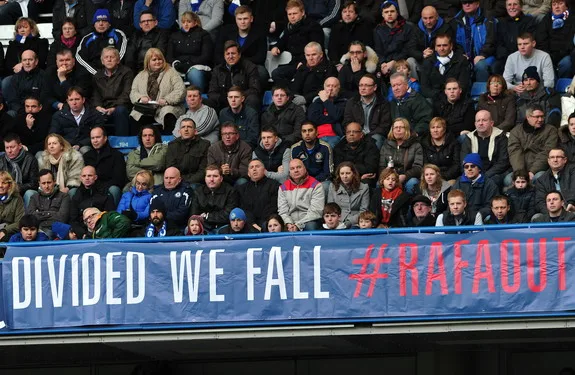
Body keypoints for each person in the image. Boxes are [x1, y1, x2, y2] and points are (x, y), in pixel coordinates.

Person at [129, 48, 185, 134]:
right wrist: (140, 98)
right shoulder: (140, 75)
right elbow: (133, 92)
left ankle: (169, 141)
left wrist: (167, 100)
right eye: (154, 60)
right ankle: (139, 143)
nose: (157, 62)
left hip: (167, 106)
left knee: (168, 113)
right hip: (147, 108)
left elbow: (180, 90)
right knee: (135, 115)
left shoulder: (172, 72)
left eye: (160, 59)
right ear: (148, 62)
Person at [269, 0, 324, 86]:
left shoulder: (313, 26)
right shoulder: (289, 27)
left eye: (295, 13)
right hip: (294, 63)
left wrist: (304, 62)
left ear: (302, 13)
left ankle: (293, 93)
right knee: (276, 73)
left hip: (311, 63)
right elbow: (282, 41)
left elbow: (316, 48)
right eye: (289, 14)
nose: (292, 17)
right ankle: (289, 93)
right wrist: (276, 47)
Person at [215, 6, 268, 85]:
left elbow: (260, 57)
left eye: (245, 19)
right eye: (239, 19)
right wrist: (230, 62)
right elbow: (218, 53)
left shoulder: (260, 33)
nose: (242, 22)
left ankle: (257, 95)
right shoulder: (225, 31)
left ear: (251, 19)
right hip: (229, 64)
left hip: (250, 65)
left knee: (261, 72)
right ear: (235, 19)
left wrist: (239, 62)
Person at [507, 104, 558, 186]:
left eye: (542, 116)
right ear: (528, 117)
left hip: (540, 169)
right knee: (508, 180)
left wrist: (533, 171)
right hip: (520, 169)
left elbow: (547, 152)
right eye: (537, 117)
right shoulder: (516, 131)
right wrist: (521, 174)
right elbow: (515, 153)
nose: (540, 119)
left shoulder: (551, 130)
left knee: (539, 178)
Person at [206, 40, 261, 112]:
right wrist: (226, 98)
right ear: (224, 56)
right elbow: (212, 93)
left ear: (239, 54)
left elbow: (255, 89)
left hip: (242, 102)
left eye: (233, 53)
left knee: (253, 99)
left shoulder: (250, 67)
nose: (230, 56)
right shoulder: (217, 70)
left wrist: (237, 97)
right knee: (207, 102)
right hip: (224, 102)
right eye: (227, 54)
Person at [461, 110, 511, 188]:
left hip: (495, 173)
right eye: (478, 121)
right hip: (474, 172)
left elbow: (503, 162)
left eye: (484, 120)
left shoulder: (501, 137)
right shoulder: (469, 138)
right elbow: (464, 161)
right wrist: (474, 174)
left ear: (491, 123)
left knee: (491, 182)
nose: (481, 123)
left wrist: (484, 175)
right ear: (475, 124)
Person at [166, 11, 213, 93]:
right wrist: (176, 63)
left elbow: (206, 56)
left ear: (195, 22)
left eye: (189, 21)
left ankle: (199, 98)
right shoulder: (174, 36)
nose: (186, 24)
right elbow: (169, 56)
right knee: (167, 74)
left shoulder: (204, 35)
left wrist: (189, 64)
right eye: (183, 22)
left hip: (197, 66)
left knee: (194, 74)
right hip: (178, 66)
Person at [450, 0, 497, 81]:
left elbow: (491, 41)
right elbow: (456, 43)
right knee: (458, 64)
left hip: (486, 55)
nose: (467, 5)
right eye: (464, 2)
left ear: (477, 3)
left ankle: (481, 92)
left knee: (481, 66)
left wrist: (482, 54)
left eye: (470, 2)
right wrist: (461, 54)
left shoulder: (487, 18)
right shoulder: (457, 20)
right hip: (466, 55)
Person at [342, 73, 391, 149]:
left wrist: (366, 135)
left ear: (374, 87)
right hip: (356, 134)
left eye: (366, 85)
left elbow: (384, 126)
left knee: (376, 140)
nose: (363, 88)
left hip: (375, 135)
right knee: (341, 142)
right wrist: (357, 133)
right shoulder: (351, 102)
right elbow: (347, 122)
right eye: (361, 85)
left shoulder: (383, 103)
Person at [92, 47, 134, 136]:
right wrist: (98, 107)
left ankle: (122, 142)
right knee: (93, 112)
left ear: (118, 60)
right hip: (104, 107)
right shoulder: (97, 76)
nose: (109, 59)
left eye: (112, 57)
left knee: (120, 111)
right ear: (102, 61)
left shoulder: (126, 72)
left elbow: (126, 94)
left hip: (121, 106)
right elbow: (96, 95)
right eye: (106, 57)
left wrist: (114, 108)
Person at [49, 87, 104, 152]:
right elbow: (53, 135)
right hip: (64, 147)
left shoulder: (94, 114)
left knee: (85, 150)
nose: (74, 102)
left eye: (77, 99)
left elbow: (98, 135)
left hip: (85, 146)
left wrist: (80, 144)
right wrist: (65, 146)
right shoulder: (58, 115)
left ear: (83, 100)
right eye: (71, 100)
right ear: (67, 101)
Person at [75, 9, 128, 76]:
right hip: (93, 74)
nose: (101, 24)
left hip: (115, 73)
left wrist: (110, 71)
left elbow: (121, 54)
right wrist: (97, 74)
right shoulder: (87, 39)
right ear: (94, 24)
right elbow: (80, 58)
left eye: (104, 21)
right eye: (98, 21)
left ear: (109, 24)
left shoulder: (118, 35)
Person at [82, 126, 127, 204]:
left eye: (98, 137)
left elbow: (119, 179)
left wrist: (101, 188)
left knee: (114, 189)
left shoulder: (117, 155)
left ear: (105, 138)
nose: (95, 141)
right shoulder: (86, 156)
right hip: (91, 188)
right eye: (93, 138)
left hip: (107, 189)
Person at [278, 158, 325, 231]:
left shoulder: (316, 185)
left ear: (305, 168)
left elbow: (316, 212)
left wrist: (298, 225)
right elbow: (283, 211)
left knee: (311, 226)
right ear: (289, 171)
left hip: (309, 221)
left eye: (299, 167)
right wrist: (289, 224)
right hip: (290, 223)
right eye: (292, 168)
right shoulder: (283, 187)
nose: (296, 170)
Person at [373, 0, 417, 79]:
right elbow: (378, 51)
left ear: (397, 13)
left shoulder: (407, 28)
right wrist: (383, 63)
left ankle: (413, 88)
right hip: (386, 63)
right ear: (382, 15)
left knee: (411, 61)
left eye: (392, 11)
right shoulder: (378, 30)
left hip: (402, 61)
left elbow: (408, 49)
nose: (389, 14)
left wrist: (394, 61)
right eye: (386, 12)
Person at [69, 166, 116, 238]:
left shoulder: (105, 193)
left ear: (95, 177)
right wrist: (83, 234)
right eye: (84, 176)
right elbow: (73, 220)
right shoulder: (77, 196)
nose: (87, 178)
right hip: (83, 232)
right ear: (81, 178)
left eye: (90, 175)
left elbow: (110, 215)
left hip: (102, 232)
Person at [379, 118, 423, 195]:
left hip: (407, 177)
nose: (398, 130)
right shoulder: (386, 145)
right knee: (378, 183)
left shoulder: (416, 145)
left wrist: (405, 176)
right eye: (395, 127)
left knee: (412, 182)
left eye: (401, 127)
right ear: (392, 130)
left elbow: (418, 168)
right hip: (390, 178)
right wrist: (387, 174)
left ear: (407, 130)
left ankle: (410, 206)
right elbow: (381, 166)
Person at [420, 33, 470, 100]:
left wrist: (449, 96)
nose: (441, 48)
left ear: (451, 46)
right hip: (435, 99)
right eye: (438, 45)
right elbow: (425, 88)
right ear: (435, 47)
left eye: (445, 45)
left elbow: (463, 86)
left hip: (456, 99)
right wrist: (439, 97)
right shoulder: (427, 62)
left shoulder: (461, 61)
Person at [190, 164, 239, 232]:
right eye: (209, 176)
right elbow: (194, 216)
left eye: (215, 176)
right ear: (205, 178)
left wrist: (207, 216)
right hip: (203, 227)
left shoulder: (231, 191)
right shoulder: (198, 192)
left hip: (224, 227)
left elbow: (228, 215)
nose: (211, 179)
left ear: (221, 178)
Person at [236, 159, 280, 230]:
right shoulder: (241, 189)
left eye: (257, 166)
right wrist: (252, 223)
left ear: (264, 170)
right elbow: (243, 208)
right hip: (249, 223)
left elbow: (273, 207)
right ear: (248, 173)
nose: (254, 169)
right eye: (251, 167)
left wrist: (262, 223)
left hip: (267, 223)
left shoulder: (274, 185)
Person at [535, 0, 575, 78]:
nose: (557, 7)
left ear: (566, 6)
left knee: (567, 63)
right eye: (554, 4)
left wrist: (562, 53)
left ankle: (563, 85)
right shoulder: (546, 20)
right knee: (545, 63)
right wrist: (548, 55)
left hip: (566, 55)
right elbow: (541, 40)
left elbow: (571, 42)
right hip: (549, 55)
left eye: (560, 4)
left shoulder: (572, 19)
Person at [495, 0, 537, 72]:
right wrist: (508, 57)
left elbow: (527, 42)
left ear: (521, 7)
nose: (512, 7)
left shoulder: (529, 21)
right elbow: (499, 44)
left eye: (515, 4)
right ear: (506, 7)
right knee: (495, 68)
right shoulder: (501, 23)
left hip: (523, 57)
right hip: (505, 58)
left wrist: (515, 56)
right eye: (509, 5)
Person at [333, 122, 379, 187]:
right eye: (348, 132)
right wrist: (357, 176)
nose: (351, 134)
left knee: (367, 182)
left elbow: (370, 169)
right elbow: (337, 169)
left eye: (355, 132)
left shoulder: (370, 146)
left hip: (364, 178)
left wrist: (348, 169)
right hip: (346, 178)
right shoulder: (339, 147)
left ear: (361, 134)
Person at [26, 169, 70, 237]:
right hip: (38, 231)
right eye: (43, 183)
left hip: (57, 232)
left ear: (54, 182)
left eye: (49, 182)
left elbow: (62, 218)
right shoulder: (34, 197)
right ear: (39, 184)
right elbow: (30, 218)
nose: (46, 186)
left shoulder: (64, 196)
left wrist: (40, 214)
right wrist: (53, 214)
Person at [166, 118, 210, 186]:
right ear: (179, 131)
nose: (186, 129)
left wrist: (187, 182)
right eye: (183, 127)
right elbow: (171, 168)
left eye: (189, 127)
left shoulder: (205, 145)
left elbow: (203, 171)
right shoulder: (172, 145)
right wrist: (179, 181)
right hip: (177, 183)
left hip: (197, 183)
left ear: (195, 131)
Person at [328, 1, 374, 65]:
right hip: (339, 64)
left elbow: (367, 48)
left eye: (350, 11)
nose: (347, 14)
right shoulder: (336, 28)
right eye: (344, 12)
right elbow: (332, 50)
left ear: (356, 14)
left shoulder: (364, 27)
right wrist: (337, 64)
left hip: (360, 63)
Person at [307, 77, 347, 148]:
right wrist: (332, 118)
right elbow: (313, 119)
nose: (330, 88)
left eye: (334, 86)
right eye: (328, 86)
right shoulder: (317, 102)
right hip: (316, 136)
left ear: (338, 88)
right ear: (324, 88)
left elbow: (337, 116)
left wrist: (325, 100)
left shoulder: (343, 102)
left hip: (334, 136)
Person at [327, 161, 369, 228]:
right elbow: (331, 209)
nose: (345, 176)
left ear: (353, 174)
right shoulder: (332, 187)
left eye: (348, 173)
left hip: (355, 222)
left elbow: (364, 211)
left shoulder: (364, 188)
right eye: (342, 173)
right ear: (339, 175)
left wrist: (349, 222)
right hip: (337, 221)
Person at [7, 50, 48, 117]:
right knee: (10, 114)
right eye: (24, 60)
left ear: (36, 61)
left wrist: (33, 110)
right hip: (20, 112)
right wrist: (22, 112)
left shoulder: (44, 76)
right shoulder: (15, 78)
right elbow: (12, 100)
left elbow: (45, 98)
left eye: (30, 60)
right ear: (21, 62)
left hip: (39, 111)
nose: (27, 63)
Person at [534, 148, 575, 214]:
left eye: (558, 157)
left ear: (565, 160)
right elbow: (540, 201)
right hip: (552, 213)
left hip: (572, 208)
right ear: (548, 161)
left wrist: (571, 203)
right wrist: (551, 213)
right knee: (536, 217)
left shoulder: (573, 171)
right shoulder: (541, 180)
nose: (555, 160)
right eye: (552, 157)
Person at [0, 133, 39, 202]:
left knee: (30, 193)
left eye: (12, 147)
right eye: (7, 148)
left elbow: (34, 184)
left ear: (20, 146)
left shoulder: (30, 159)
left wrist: (15, 188)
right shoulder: (1, 160)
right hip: (4, 190)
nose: (9, 151)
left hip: (23, 192)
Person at [420, 117, 460, 182]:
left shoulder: (453, 143)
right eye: (433, 127)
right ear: (430, 130)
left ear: (444, 129)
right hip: (430, 178)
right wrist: (433, 176)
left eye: (438, 127)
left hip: (449, 178)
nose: (435, 130)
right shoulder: (425, 144)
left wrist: (442, 177)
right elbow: (425, 164)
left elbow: (456, 165)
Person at [0, 171, 24, 241]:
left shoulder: (17, 199)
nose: (0, 185)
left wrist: (5, 230)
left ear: (10, 185)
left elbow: (19, 222)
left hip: (9, 231)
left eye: (4, 183)